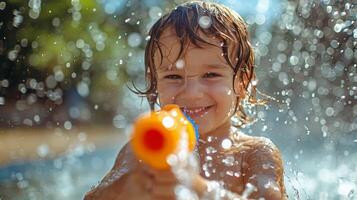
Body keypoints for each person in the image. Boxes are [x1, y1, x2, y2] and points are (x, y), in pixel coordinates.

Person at [84, 1, 287, 199]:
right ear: (155, 83)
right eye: (173, 77)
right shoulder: (142, 148)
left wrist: (197, 188)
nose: (191, 93)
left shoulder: (253, 153)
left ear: (242, 83)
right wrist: (129, 185)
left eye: (210, 75)